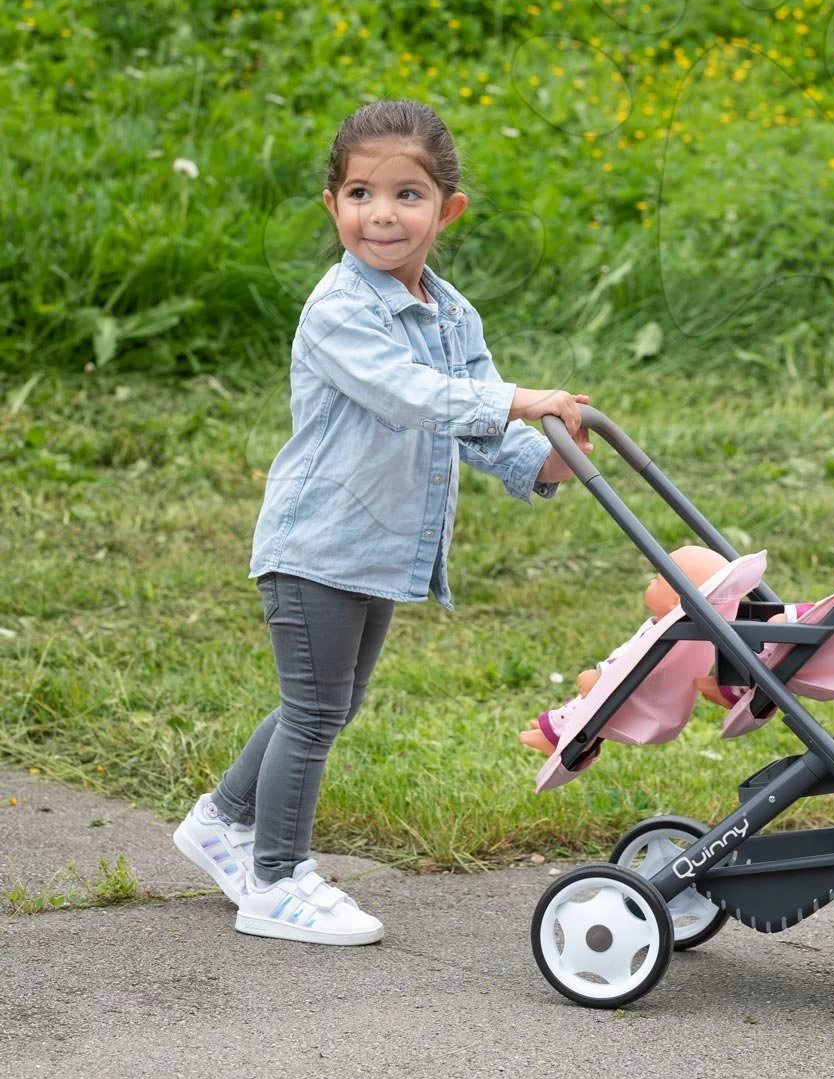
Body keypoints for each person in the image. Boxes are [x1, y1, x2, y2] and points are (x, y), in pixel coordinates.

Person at [173, 99, 592, 945]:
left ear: (448, 210)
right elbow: (414, 396)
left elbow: (479, 430)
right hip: (316, 544)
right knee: (316, 711)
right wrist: (517, 399)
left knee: (327, 703)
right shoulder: (339, 311)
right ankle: (278, 879)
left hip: (377, 547)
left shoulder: (453, 314)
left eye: (408, 195)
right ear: (332, 205)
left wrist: (546, 456)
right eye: (361, 193)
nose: (382, 215)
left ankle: (222, 822)